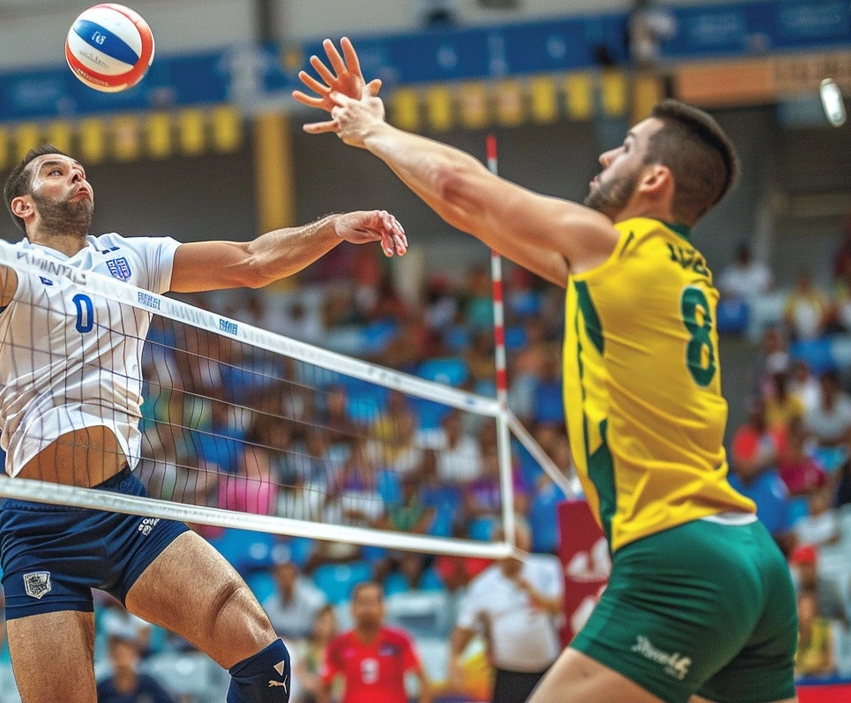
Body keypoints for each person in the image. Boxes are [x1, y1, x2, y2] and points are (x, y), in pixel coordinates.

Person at [296, 37, 798, 702]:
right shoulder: (673, 269)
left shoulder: (610, 244)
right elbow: (466, 211)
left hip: (679, 560)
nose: (605, 156)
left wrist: (374, 130)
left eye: (624, 147)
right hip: (752, 558)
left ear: (655, 180)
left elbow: (462, 184)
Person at [0, 128, 407, 702]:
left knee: (266, 661)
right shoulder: (9, 266)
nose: (77, 175)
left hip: (122, 508)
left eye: (80, 169)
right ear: (23, 206)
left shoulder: (126, 257)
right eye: (57, 171)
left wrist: (334, 227)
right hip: (41, 529)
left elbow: (251, 262)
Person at [450, 524, 562, 703]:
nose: (511, 550)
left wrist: (536, 596)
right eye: (505, 543)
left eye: (516, 542)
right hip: (507, 674)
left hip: (549, 670)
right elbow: (464, 626)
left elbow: (563, 606)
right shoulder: (482, 585)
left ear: (527, 542)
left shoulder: (547, 568)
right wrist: (454, 658)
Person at [320, 582, 431, 703]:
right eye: (362, 603)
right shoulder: (339, 644)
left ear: (383, 607)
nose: (367, 609)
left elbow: (423, 680)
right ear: (352, 607)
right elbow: (324, 686)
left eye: (372, 603)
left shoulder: (400, 641)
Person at [95, 636, 177, 703]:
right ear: (111, 657)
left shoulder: (149, 683)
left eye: (125, 654)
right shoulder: (102, 687)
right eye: (118, 655)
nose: (122, 659)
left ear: (134, 655)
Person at [261, 561, 327, 642]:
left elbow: (322, 630)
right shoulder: (270, 605)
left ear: (295, 576)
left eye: (288, 575)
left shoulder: (314, 600)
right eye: (281, 576)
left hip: (307, 643)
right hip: (283, 644)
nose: (285, 580)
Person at [804, 372, 851, 448]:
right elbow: (808, 432)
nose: (827, 391)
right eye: (824, 387)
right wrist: (825, 442)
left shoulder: (848, 405)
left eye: (830, 387)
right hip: (818, 448)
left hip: (843, 448)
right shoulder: (812, 406)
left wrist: (831, 442)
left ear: (836, 388)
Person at [789, 546, 844, 623]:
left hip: (828, 630)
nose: (805, 571)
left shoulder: (830, 588)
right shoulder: (792, 590)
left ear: (815, 565)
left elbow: (841, 616)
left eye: (808, 565)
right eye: (801, 566)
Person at [793, 591, 835, 678]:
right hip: (797, 682)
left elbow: (830, 665)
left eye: (809, 608)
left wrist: (812, 671)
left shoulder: (824, 629)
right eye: (802, 608)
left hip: (818, 681)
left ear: (815, 611)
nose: (806, 613)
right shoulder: (790, 632)